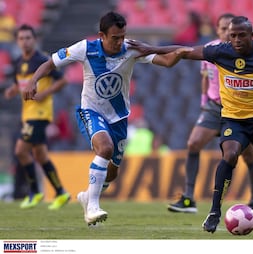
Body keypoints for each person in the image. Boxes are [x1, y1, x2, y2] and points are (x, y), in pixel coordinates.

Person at [130, 15, 253, 235]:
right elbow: (184, 51)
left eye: (241, 35)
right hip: (234, 119)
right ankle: (214, 212)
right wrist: (150, 48)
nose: (237, 39)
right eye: (233, 35)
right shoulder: (220, 51)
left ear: (251, 35)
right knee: (230, 154)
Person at [21, 11, 193, 226]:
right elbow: (51, 63)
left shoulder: (130, 48)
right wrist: (33, 80)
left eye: (122, 36)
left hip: (119, 117)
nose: (119, 42)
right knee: (105, 148)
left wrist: (180, 52)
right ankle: (92, 206)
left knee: (111, 174)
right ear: (101, 35)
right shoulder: (85, 48)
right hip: (91, 111)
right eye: (115, 38)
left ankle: (87, 196)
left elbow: (166, 62)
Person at [167, 13, 253, 216]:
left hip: (238, 109)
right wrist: (204, 100)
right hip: (214, 107)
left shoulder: (244, 52)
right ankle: (189, 198)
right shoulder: (210, 50)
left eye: (229, 28)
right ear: (217, 30)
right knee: (193, 143)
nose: (226, 32)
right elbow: (206, 76)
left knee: (248, 155)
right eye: (222, 28)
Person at [4, 24, 71, 210]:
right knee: (40, 156)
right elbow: (22, 84)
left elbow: (63, 80)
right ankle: (61, 192)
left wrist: (45, 93)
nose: (25, 41)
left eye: (28, 38)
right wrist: (13, 89)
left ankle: (34, 191)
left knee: (20, 151)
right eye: (21, 38)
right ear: (17, 41)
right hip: (27, 114)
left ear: (34, 39)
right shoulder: (18, 62)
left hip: (40, 114)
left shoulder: (42, 60)